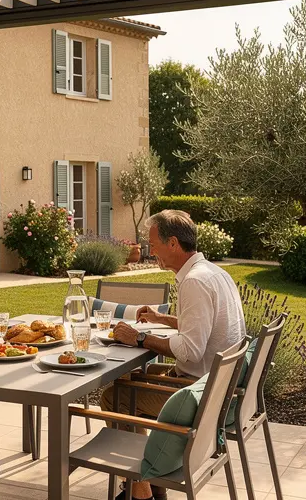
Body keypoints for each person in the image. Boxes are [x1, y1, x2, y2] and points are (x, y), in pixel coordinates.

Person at [99, 209, 247, 500]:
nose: (150, 251)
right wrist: (163, 319)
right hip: (216, 386)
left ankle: (141, 493)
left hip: (198, 392)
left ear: (173, 243)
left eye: (153, 245)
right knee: (128, 379)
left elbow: (190, 351)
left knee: (113, 397)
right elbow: (205, 327)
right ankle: (153, 484)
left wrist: (140, 337)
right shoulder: (214, 273)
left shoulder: (194, 281)